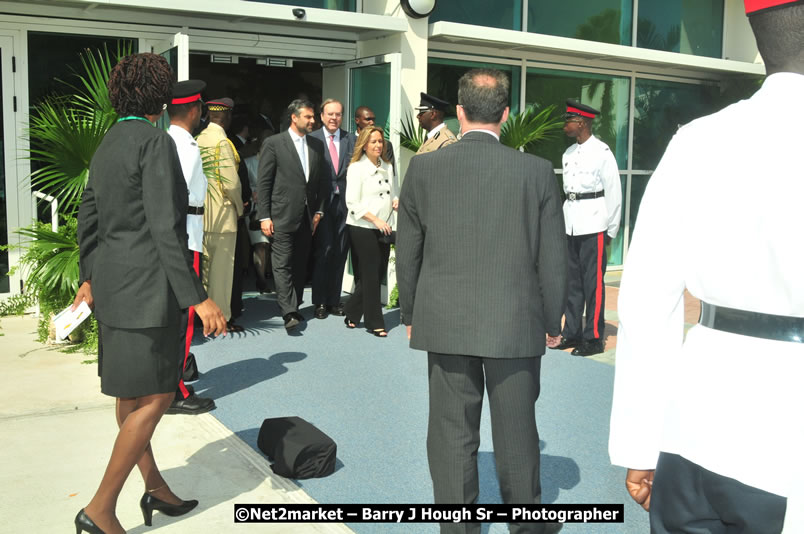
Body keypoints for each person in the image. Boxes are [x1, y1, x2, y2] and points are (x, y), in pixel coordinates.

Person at [609, 2, 804, 532]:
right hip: (785, 449)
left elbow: (648, 301)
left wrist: (640, 443)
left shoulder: (698, 138)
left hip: (693, 423)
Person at [396, 68, 567, 534]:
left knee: (451, 433)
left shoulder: (424, 168)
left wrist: (410, 312)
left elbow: (408, 249)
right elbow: (553, 257)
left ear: (459, 111)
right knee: (517, 432)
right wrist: (553, 320)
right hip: (514, 322)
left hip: (444, 319)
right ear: (506, 114)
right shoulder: (536, 172)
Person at [72, 52, 227, 534]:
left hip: (113, 287)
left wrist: (88, 277)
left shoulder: (108, 142)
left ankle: (155, 487)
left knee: (130, 394)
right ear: (160, 97)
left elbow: (88, 216)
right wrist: (197, 296)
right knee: (157, 397)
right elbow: (165, 228)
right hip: (148, 291)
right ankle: (99, 509)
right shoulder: (155, 142)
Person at [548, 99, 621, 357]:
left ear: (581, 123)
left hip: (594, 223)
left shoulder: (602, 152)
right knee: (572, 284)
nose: (565, 125)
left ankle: (594, 338)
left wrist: (611, 229)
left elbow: (613, 191)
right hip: (571, 224)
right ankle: (572, 332)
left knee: (593, 285)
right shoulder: (568, 153)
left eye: (568, 121)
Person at [165, 79, 216, 416]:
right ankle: (176, 391)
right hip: (185, 234)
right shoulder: (182, 145)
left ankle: (174, 383)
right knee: (184, 317)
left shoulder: (173, 140)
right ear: (194, 109)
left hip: (185, 231)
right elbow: (177, 195)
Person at [257, 99, 328, 331]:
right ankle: (288, 311)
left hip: (307, 218)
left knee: (299, 264)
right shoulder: (274, 143)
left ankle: (294, 305)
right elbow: (264, 182)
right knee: (282, 264)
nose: (313, 121)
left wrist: (319, 211)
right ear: (294, 118)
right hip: (281, 216)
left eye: (313, 116)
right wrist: (264, 216)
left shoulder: (316, 145)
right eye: (308, 116)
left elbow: (321, 181)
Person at [343, 126, 398, 337]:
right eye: (373, 141)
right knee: (371, 274)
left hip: (385, 226)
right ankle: (375, 323)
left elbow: (393, 192)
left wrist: (396, 200)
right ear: (364, 145)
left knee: (376, 272)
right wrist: (375, 219)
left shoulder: (387, 166)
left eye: (380, 141)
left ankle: (352, 310)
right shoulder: (356, 168)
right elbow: (352, 203)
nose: (378, 145)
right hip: (363, 227)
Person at [197, 97, 245, 333]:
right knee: (222, 272)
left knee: (206, 270)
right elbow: (231, 183)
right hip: (223, 214)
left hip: (202, 214)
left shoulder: (199, 139)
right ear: (226, 117)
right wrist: (240, 207)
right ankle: (221, 319)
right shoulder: (222, 142)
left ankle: (203, 317)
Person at [309, 98, 355, 319]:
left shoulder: (351, 139)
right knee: (324, 251)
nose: (334, 118)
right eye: (330, 114)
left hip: (345, 204)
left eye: (338, 114)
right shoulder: (312, 140)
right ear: (322, 116)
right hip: (322, 204)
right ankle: (319, 301)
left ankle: (334, 301)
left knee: (340, 251)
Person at [353, 105, 396, 169]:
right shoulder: (348, 142)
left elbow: (388, 170)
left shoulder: (386, 145)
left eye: (373, 119)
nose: (372, 122)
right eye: (368, 119)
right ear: (357, 120)